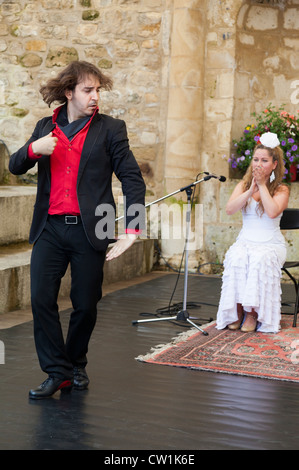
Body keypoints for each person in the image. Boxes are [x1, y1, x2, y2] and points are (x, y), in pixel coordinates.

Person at [9, 61, 146, 399]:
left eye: (98, 90)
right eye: (88, 90)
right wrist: (32, 149)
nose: (95, 96)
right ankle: (58, 372)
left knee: (85, 304)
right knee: (41, 299)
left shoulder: (111, 129)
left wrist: (132, 228)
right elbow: (14, 165)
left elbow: (132, 179)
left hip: (91, 228)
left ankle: (75, 362)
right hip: (50, 228)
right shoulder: (45, 126)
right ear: (69, 92)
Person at [216, 132, 289, 334]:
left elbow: (273, 211)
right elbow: (230, 209)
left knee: (259, 259)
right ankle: (237, 310)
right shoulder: (243, 185)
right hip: (246, 241)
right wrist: (250, 190)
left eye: (264, 160)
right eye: (256, 159)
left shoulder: (281, 189)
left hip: (271, 245)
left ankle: (252, 313)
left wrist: (263, 186)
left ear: (274, 164)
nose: (258, 164)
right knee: (236, 256)